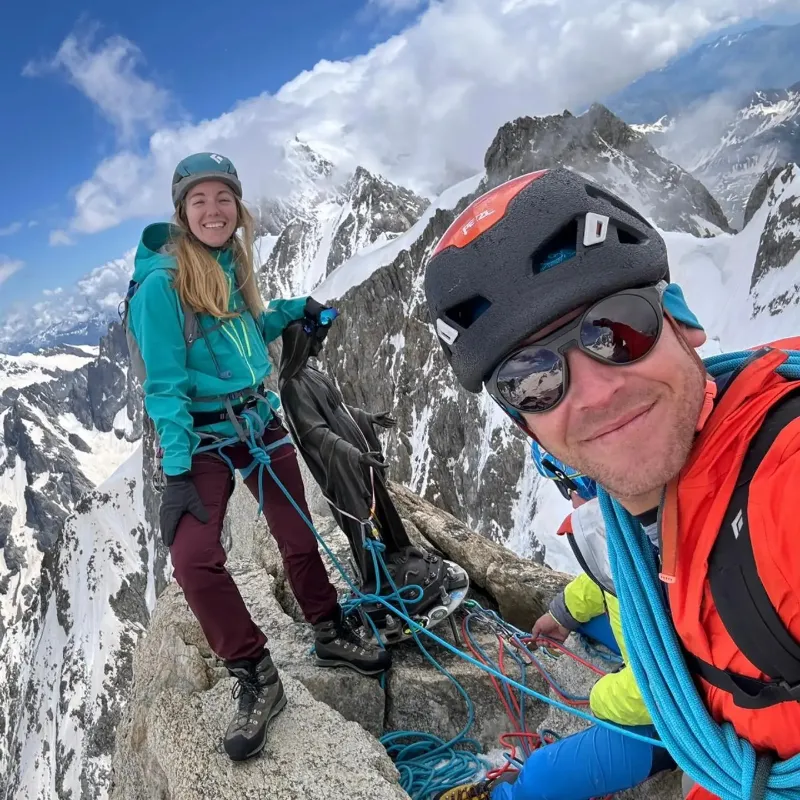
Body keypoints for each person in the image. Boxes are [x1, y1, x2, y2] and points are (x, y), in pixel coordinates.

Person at [423, 167, 800, 799]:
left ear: (682, 321)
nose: (597, 392)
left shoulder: (777, 484)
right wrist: (564, 610)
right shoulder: (644, 515)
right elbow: (628, 591)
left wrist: (604, 693)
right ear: (527, 425)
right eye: (533, 379)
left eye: (618, 328)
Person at [123, 152, 390, 763]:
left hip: (257, 420)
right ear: (182, 211)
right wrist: (178, 470)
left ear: (238, 207)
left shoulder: (229, 261)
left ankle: (327, 630)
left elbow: (247, 323)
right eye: (200, 201)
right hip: (208, 438)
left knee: (297, 531)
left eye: (224, 199)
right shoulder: (163, 285)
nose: (213, 211)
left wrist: (298, 310)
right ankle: (253, 672)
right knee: (193, 559)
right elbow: (164, 385)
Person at [432, 449, 676, 800]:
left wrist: (601, 696)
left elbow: (660, 687)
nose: (569, 500)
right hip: (657, 665)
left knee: (542, 774)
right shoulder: (642, 526)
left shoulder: (656, 550)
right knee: (591, 622)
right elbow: (609, 579)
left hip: (675, 724)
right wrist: (565, 615)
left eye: (567, 487)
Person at [277, 316, 460, 641]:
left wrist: (365, 419)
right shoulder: (292, 386)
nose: (320, 346)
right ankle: (377, 580)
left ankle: (397, 551)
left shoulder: (310, 373)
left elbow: (338, 410)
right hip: (340, 469)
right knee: (360, 520)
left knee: (381, 504)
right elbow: (315, 433)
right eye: (316, 341)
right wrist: (353, 454)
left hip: (356, 458)